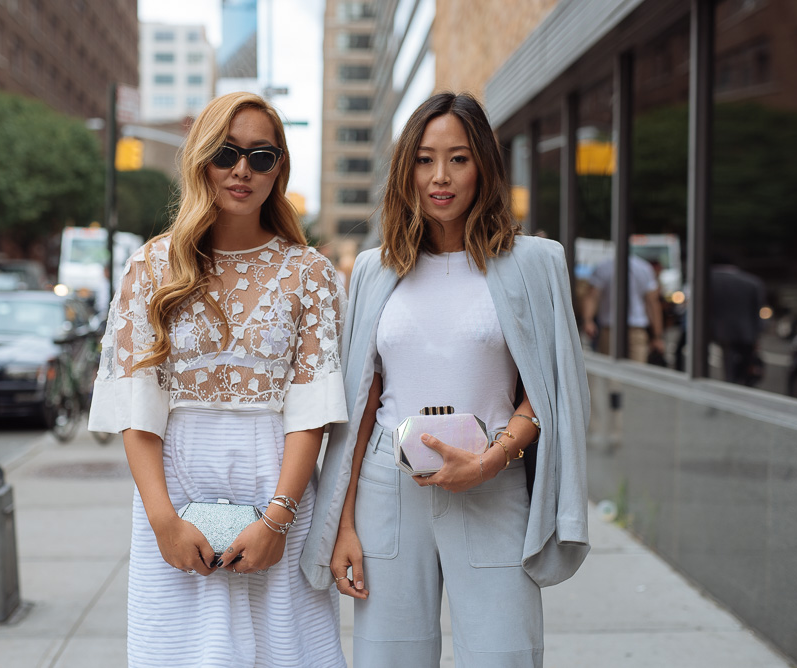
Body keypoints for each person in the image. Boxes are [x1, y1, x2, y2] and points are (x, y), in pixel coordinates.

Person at [301, 92, 590, 667]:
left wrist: (491, 459)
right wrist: (344, 524)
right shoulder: (374, 268)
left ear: (484, 164)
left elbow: (551, 391)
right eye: (425, 159)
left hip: (492, 478)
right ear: (406, 167)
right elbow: (362, 400)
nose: (440, 177)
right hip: (389, 485)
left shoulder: (534, 262)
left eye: (458, 158)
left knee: (504, 656)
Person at [88, 91, 348, 667]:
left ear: (279, 169)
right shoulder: (152, 267)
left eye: (262, 157)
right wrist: (164, 523)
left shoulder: (311, 275)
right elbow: (138, 410)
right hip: (173, 501)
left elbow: (312, 414)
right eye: (227, 153)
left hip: (281, 495)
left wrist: (278, 520)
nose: (242, 170)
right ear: (201, 158)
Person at [580, 254, 665, 363]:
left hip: (611, 329)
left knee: (611, 372)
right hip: (634, 329)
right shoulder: (643, 268)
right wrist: (657, 336)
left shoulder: (604, 267)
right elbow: (652, 303)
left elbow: (592, 296)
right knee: (636, 371)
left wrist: (588, 320)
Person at [709, 256, 767, 385]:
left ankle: (731, 387)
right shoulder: (752, 282)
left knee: (729, 367)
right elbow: (757, 311)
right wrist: (757, 335)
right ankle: (741, 386)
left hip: (720, 329)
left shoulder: (709, 278)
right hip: (746, 331)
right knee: (744, 366)